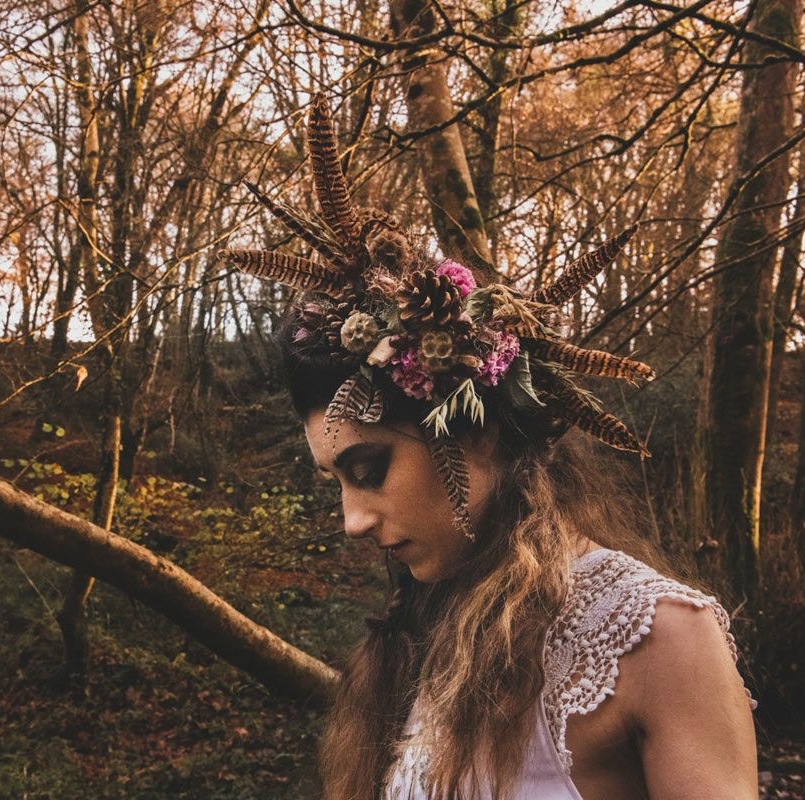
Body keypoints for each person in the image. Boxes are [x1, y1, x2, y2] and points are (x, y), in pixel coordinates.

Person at [218, 94, 757, 800]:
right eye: (337, 484)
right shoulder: (424, 638)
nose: (351, 519)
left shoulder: (660, 639)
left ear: (473, 428)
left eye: (368, 469)